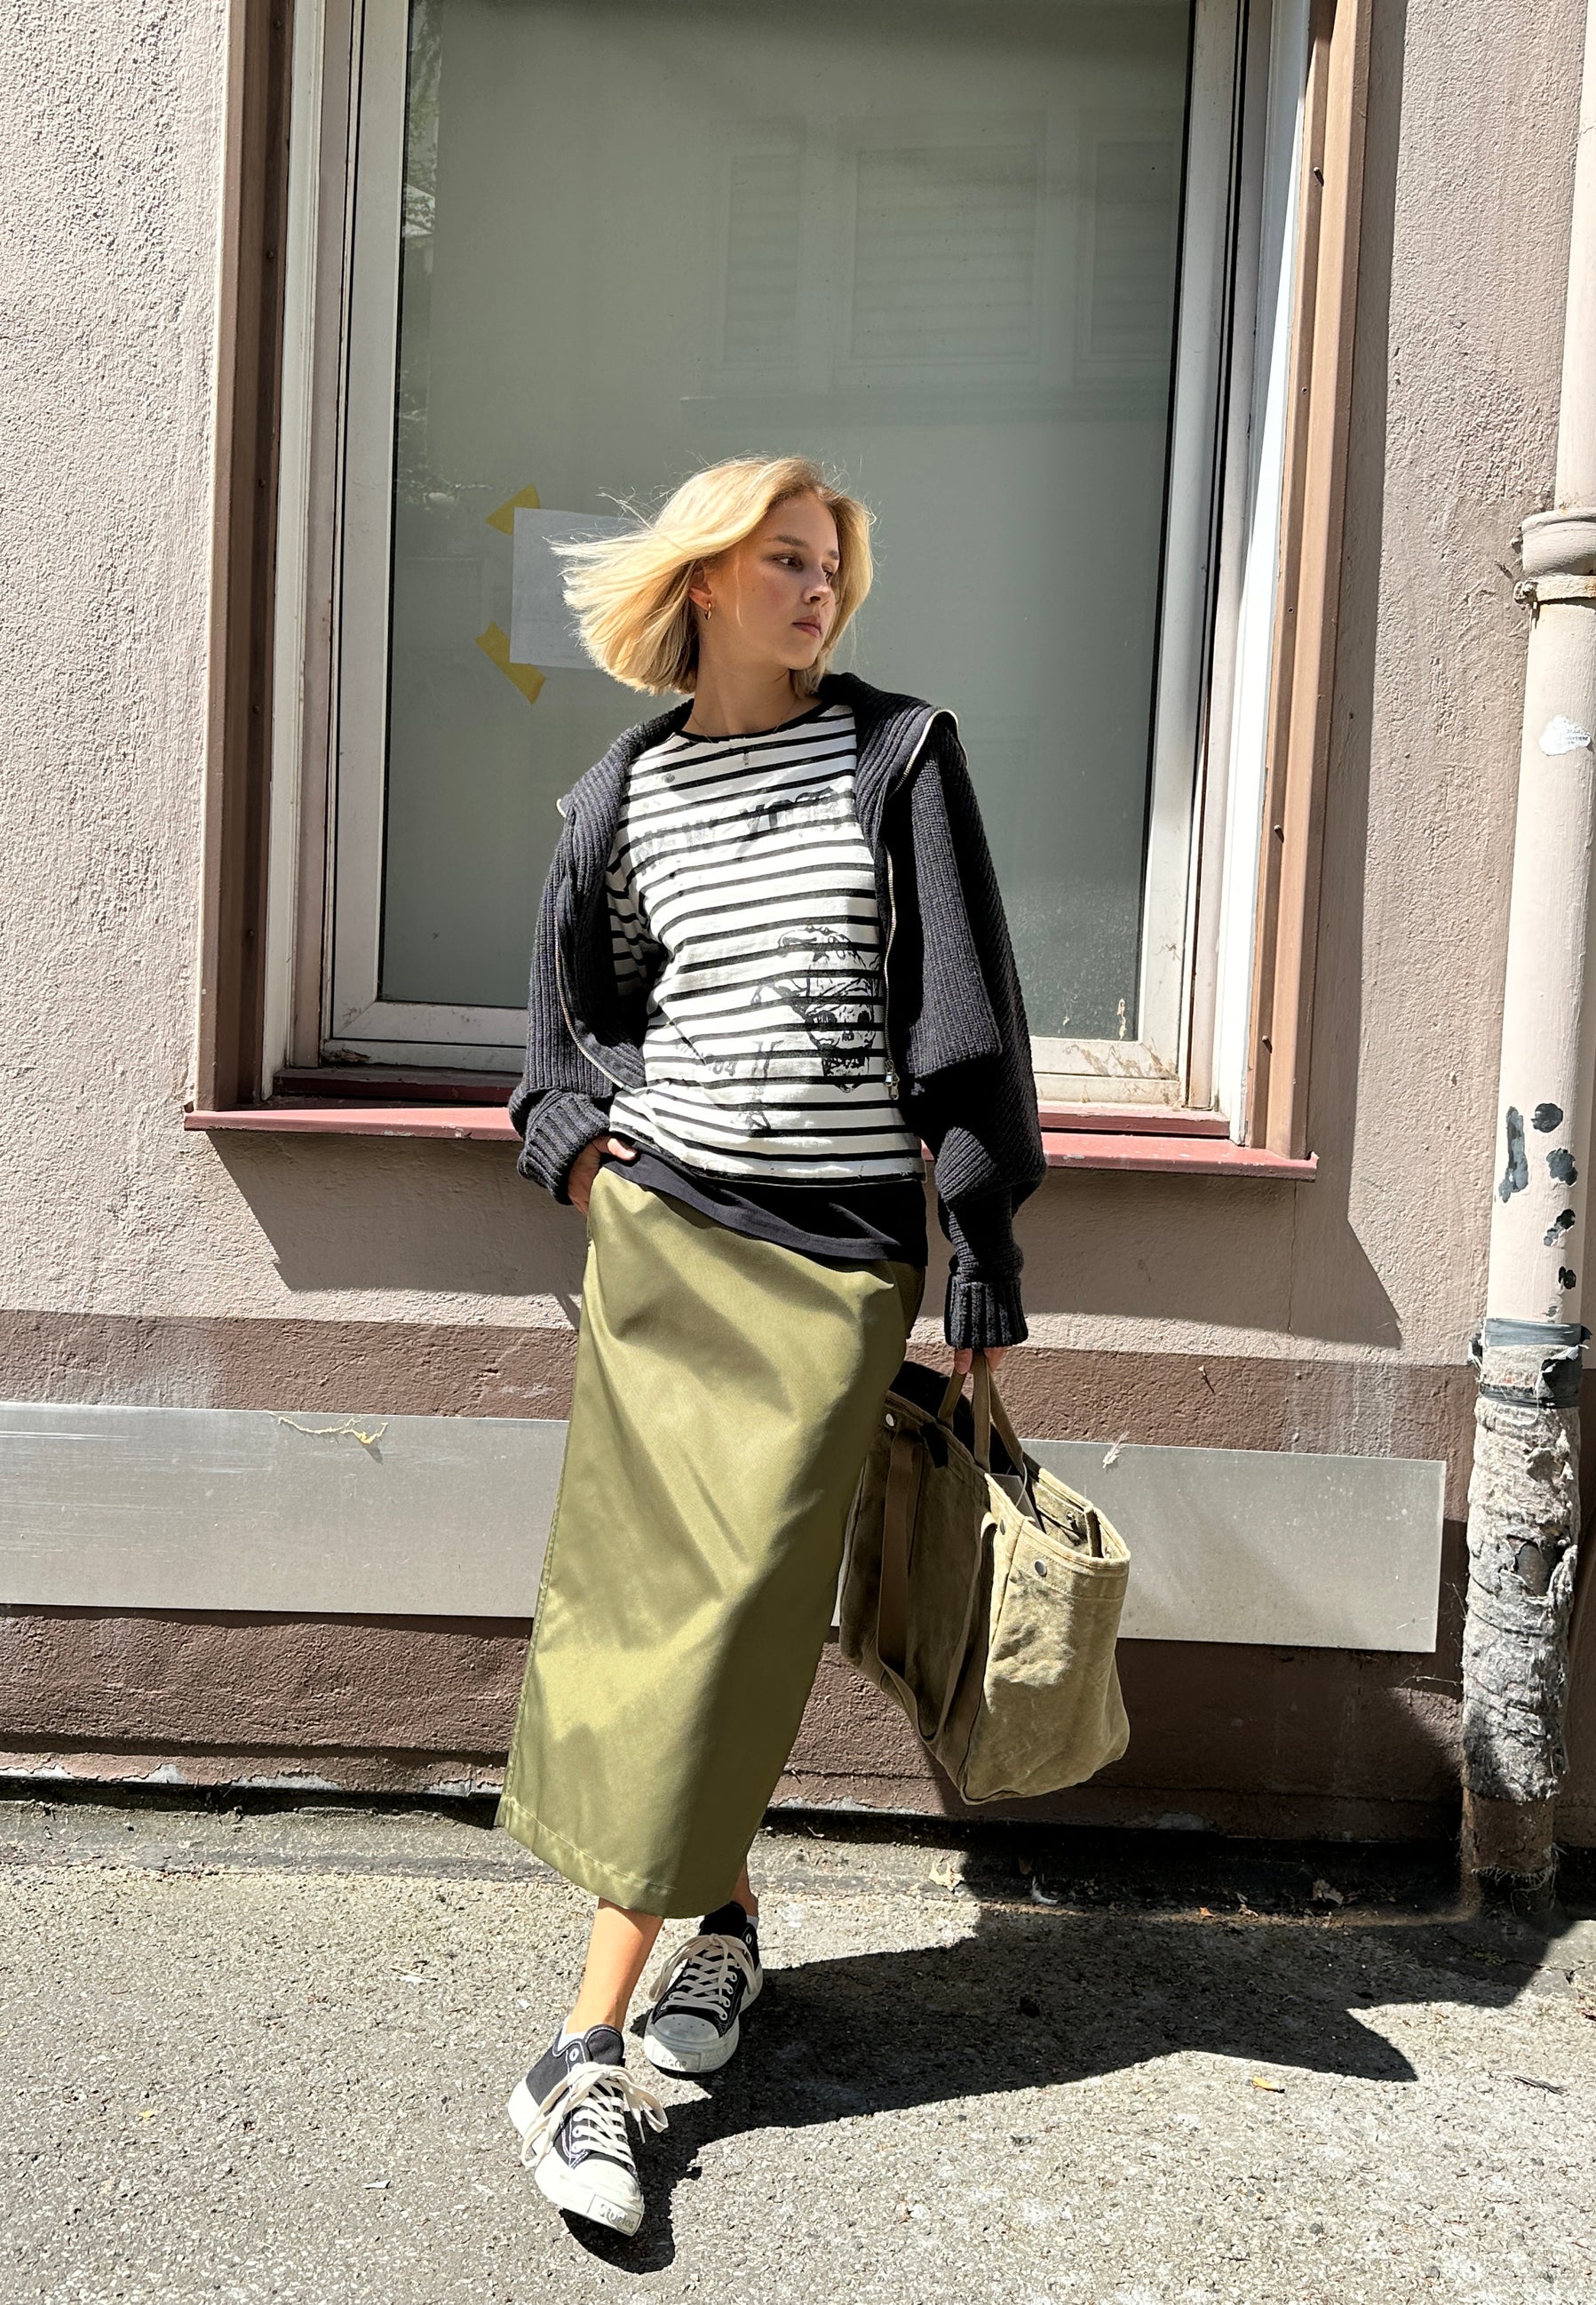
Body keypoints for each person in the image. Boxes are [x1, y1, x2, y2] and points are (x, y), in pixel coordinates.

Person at [499, 454, 1044, 2235]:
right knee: (655, 1613)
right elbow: (569, 1028)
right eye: (784, 560)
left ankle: (579, 2037)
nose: (817, 590)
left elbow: (962, 1027)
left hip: (832, 1275)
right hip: (669, 1251)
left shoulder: (897, 756)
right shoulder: (623, 793)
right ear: (704, 581)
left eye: (829, 566)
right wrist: (589, 1164)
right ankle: (685, 1952)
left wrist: (978, 1250)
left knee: (734, 1617)